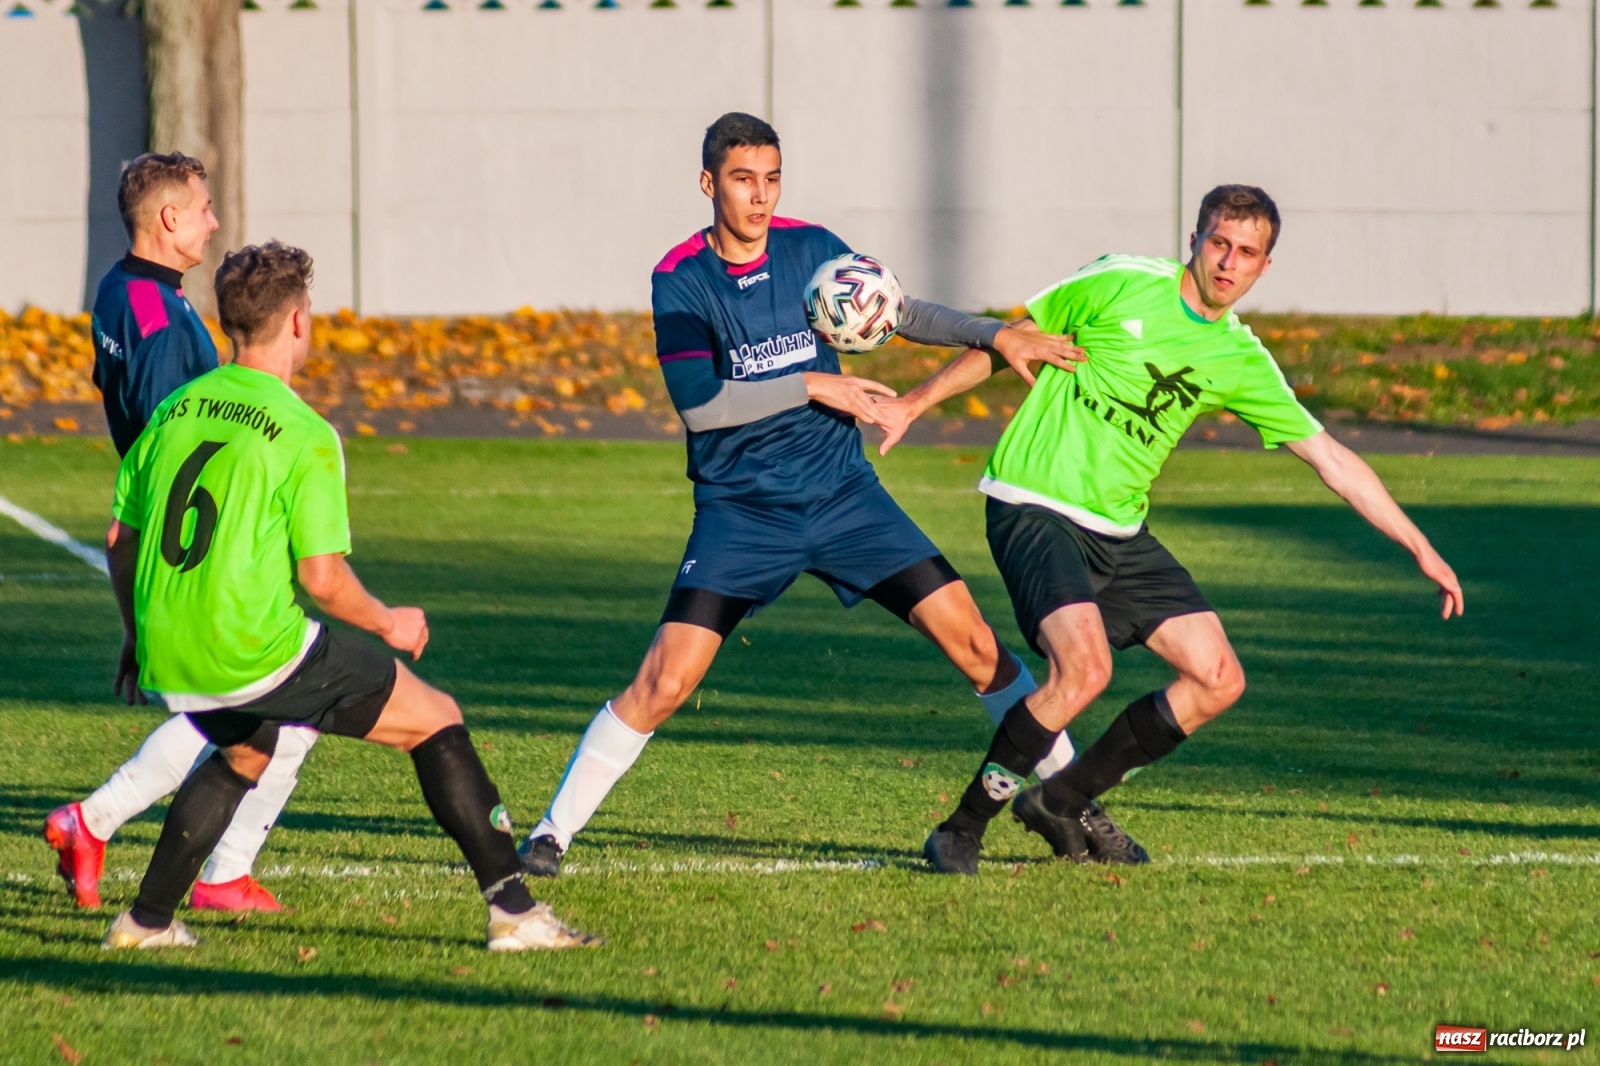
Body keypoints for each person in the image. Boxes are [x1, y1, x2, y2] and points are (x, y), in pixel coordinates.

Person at [516, 112, 1085, 877]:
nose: (760, 196)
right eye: (744, 179)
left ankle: (1076, 801)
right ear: (709, 183)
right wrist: (813, 382)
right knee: (664, 681)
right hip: (742, 513)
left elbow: (899, 311)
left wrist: (994, 334)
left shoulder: (812, 248)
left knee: (977, 646)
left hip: (846, 499)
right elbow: (700, 404)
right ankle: (550, 834)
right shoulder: (681, 278)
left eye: (772, 178)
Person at [874, 185, 1465, 874]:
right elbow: (1010, 342)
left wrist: (1420, 547)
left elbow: (1331, 458)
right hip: (1035, 503)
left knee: (1218, 678)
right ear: (1195, 238)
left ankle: (1061, 800)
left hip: (1120, 532)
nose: (1228, 262)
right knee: (1085, 669)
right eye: (1219, 242)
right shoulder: (1121, 281)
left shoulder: (1241, 359)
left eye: (1247, 253)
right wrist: (915, 403)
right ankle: (961, 829)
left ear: (1264, 267)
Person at [100, 242, 594, 951]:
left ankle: (144, 922)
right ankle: (515, 914)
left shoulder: (174, 410)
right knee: (435, 718)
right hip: (251, 647)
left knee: (247, 750)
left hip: (171, 644)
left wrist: (133, 633)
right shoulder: (304, 432)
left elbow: (122, 537)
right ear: (298, 322)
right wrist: (390, 622)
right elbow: (323, 578)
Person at [46, 152, 314, 913]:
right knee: (252, 709)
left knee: (276, 715)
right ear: (168, 219)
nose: (214, 220)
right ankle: (96, 820)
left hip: (169, 542)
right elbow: (188, 450)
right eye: (202, 207)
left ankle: (224, 871)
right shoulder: (163, 325)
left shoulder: (119, 292)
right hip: (200, 544)